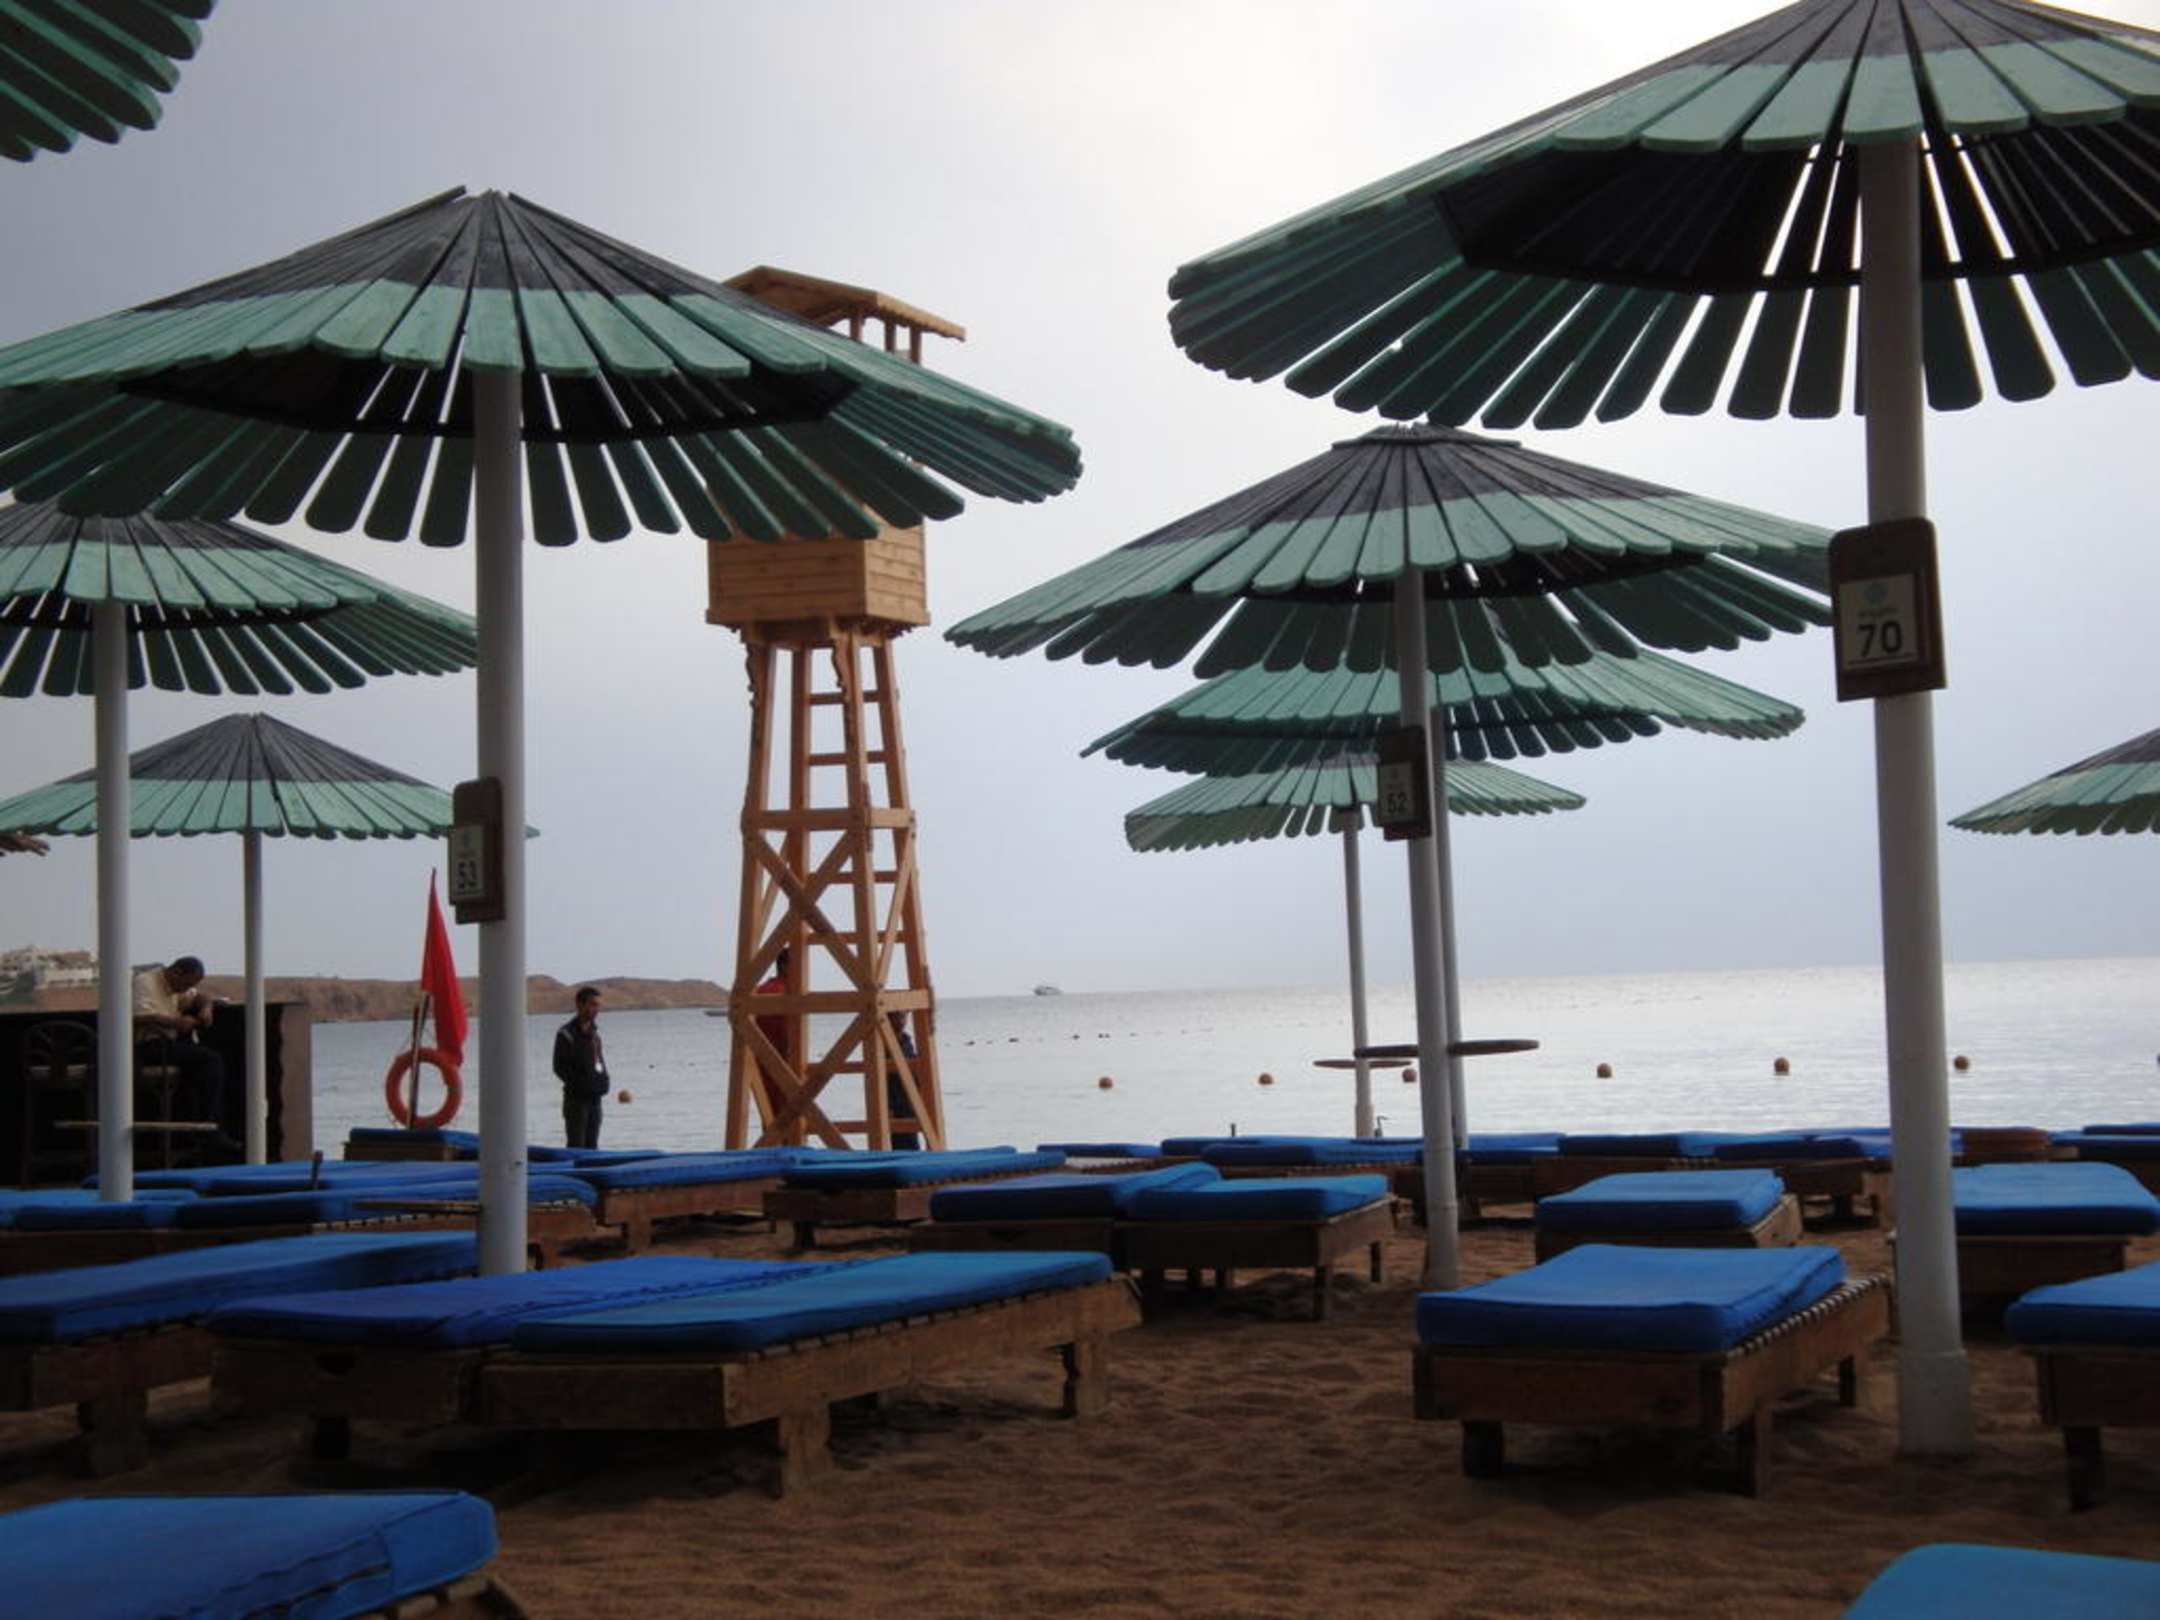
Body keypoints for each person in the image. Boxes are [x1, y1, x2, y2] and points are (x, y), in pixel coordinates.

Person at [132, 954, 228, 1138]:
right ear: (176, 972)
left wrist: (206, 1008)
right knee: (210, 1060)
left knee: (203, 1065)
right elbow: (138, 1017)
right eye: (186, 984)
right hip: (147, 1044)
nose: (185, 989)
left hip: (168, 1042)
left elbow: (199, 996)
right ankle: (210, 1127)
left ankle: (202, 1125)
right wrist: (175, 1023)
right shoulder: (145, 982)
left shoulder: (175, 986)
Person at [552, 986, 609, 1149]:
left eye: (598, 1005)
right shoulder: (566, 1034)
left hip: (595, 1101)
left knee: (592, 1147)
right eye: (593, 1004)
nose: (596, 1009)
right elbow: (559, 1067)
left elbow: (599, 1062)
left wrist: (604, 1082)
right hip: (576, 1102)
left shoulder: (595, 1035)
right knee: (576, 1145)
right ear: (580, 1004)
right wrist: (582, 1085)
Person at [882, 1009, 922, 1150]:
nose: (902, 1021)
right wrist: (889, 1106)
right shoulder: (883, 1045)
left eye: (904, 1016)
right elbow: (884, 1080)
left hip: (909, 1102)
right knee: (900, 1144)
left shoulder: (906, 1041)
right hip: (895, 1104)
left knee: (911, 1143)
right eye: (898, 1017)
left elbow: (916, 1073)